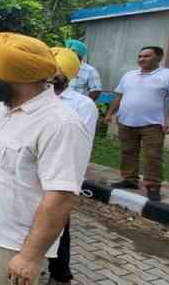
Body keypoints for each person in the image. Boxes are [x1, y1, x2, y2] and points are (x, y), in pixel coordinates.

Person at [0, 33, 91, 285]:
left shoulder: (60, 124)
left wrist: (30, 256)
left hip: (11, 246)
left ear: (16, 77)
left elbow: (61, 197)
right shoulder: (3, 108)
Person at [105, 46, 169, 201]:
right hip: (126, 121)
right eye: (140, 56)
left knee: (153, 156)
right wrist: (110, 113)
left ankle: (153, 186)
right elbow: (118, 96)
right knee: (127, 152)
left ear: (158, 58)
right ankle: (130, 180)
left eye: (147, 56)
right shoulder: (129, 75)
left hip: (153, 124)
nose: (141, 59)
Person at [46, 47, 98, 285]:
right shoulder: (39, 97)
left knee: (58, 225)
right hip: (34, 172)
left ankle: (60, 274)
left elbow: (79, 145)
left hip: (61, 175)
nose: (51, 73)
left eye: (57, 69)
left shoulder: (83, 105)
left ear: (69, 73)